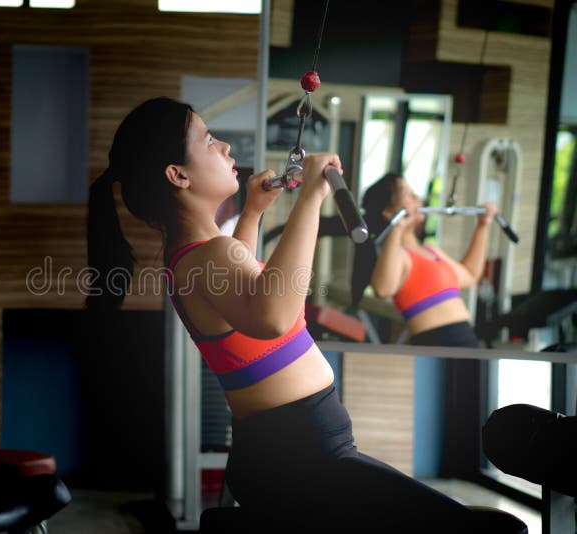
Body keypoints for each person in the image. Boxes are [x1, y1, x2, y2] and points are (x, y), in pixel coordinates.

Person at [86, 97, 523, 532]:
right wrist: (311, 198)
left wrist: (253, 212)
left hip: (291, 451)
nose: (224, 149)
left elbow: (242, 286)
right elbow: (273, 314)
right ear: (178, 175)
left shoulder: (192, 256)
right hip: (304, 457)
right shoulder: (209, 255)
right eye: (209, 139)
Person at [354, 172, 497, 348]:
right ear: (388, 212)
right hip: (437, 345)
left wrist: (483, 225)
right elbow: (383, 289)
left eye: (413, 192)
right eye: (406, 194)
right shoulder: (399, 255)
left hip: (468, 340)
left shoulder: (431, 252)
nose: (416, 197)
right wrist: (397, 227)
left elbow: (470, 275)